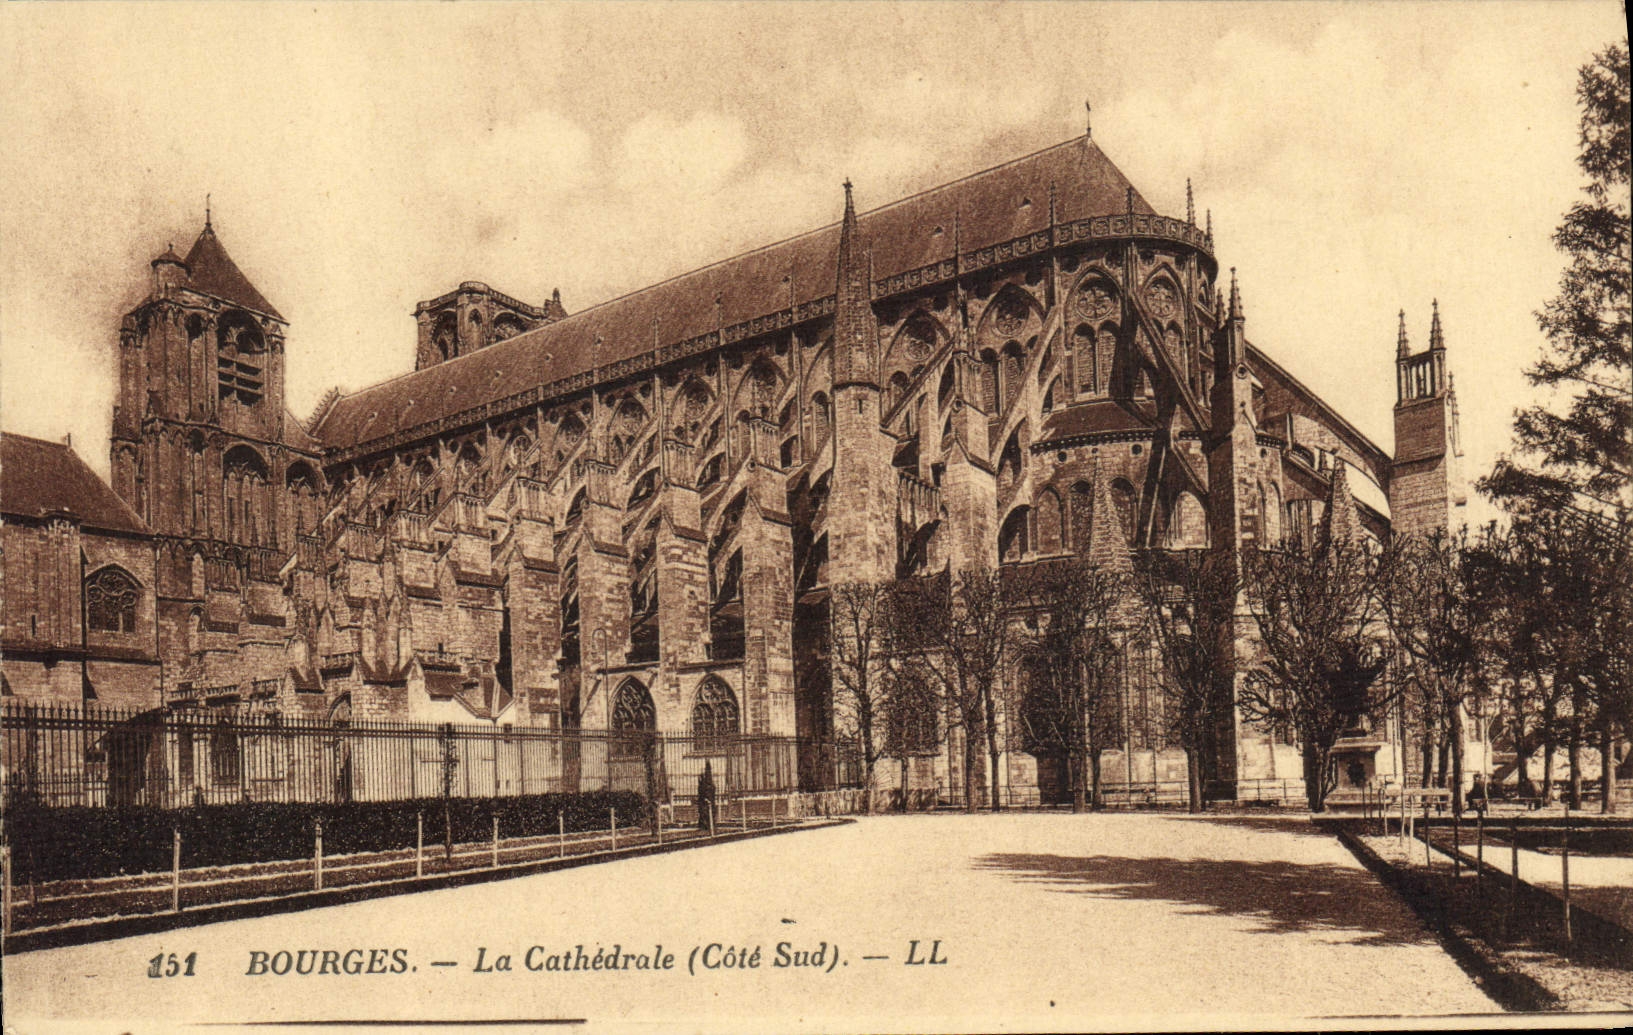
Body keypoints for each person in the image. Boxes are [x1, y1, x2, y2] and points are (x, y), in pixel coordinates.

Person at [696, 759, 716, 832]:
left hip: (706, 799)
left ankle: (706, 825)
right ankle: (706, 825)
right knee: (705, 812)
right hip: (706, 800)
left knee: (705, 812)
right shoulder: (707, 784)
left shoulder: (707, 784)